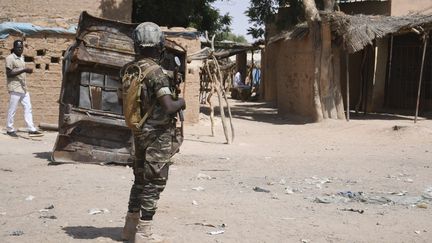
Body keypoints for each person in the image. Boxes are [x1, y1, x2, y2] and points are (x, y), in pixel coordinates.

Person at [120, 22, 185, 243]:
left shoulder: (130, 69)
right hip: (157, 135)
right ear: (159, 44)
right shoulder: (156, 72)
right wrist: (182, 101)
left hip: (139, 132)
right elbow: (168, 106)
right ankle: (144, 232)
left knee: (139, 179)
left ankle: (129, 228)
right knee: (154, 182)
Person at [5, 40, 43, 137]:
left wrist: (24, 70)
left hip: (23, 88)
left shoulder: (21, 57)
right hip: (15, 87)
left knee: (28, 107)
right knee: (12, 109)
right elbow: (9, 74)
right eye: (18, 47)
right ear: (14, 48)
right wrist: (24, 69)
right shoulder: (10, 58)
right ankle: (9, 129)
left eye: (21, 47)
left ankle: (31, 128)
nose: (20, 49)